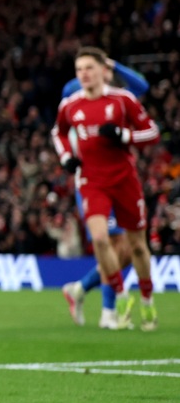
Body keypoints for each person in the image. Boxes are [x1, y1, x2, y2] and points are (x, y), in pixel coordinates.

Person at [53, 47, 160, 331]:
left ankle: (87, 291)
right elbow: (59, 131)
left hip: (123, 178)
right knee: (104, 242)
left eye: (91, 67)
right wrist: (66, 157)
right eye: (80, 69)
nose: (84, 73)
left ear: (104, 69)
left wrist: (123, 134)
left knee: (129, 247)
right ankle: (113, 307)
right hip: (89, 179)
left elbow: (142, 91)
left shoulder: (121, 98)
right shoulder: (72, 97)